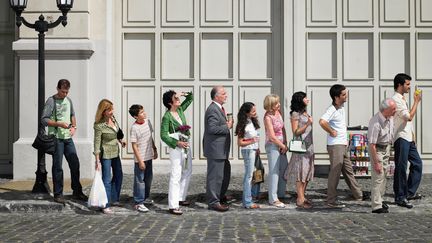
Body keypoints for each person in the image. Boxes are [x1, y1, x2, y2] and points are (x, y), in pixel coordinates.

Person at [41, 79, 87, 204]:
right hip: (56, 138)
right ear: (57, 88)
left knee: (75, 164)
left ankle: (77, 191)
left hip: (68, 138)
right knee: (58, 166)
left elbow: (72, 115)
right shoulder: (51, 101)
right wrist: (59, 124)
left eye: (67, 92)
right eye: (62, 92)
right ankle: (58, 194)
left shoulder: (69, 100)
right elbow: (44, 120)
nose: (65, 94)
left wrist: (74, 127)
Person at [319, 84, 364, 208]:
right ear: (336, 97)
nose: (346, 96)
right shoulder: (332, 109)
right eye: (343, 94)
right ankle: (330, 201)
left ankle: (358, 195)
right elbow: (322, 122)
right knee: (335, 173)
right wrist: (331, 131)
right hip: (335, 146)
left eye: (346, 93)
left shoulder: (341, 108)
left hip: (342, 145)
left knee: (348, 171)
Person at [392, 73, 423, 209]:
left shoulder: (402, 99)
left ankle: (409, 192)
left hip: (408, 138)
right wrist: (417, 101)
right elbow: (408, 117)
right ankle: (400, 197)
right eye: (407, 84)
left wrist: (413, 135)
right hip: (401, 138)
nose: (409, 87)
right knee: (401, 168)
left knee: (417, 164)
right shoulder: (396, 100)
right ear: (400, 85)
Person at [161, 90, 193, 215]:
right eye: (175, 98)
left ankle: (180, 197)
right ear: (170, 103)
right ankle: (173, 205)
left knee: (188, 170)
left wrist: (184, 93)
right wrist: (176, 143)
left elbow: (191, 98)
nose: (178, 98)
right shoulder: (167, 117)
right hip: (176, 148)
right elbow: (163, 135)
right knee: (176, 174)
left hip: (186, 145)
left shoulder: (180, 110)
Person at [93, 99, 126, 214]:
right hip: (106, 154)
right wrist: (97, 160)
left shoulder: (113, 119)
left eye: (112, 109)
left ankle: (114, 199)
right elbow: (97, 143)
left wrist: (121, 141)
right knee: (106, 179)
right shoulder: (99, 125)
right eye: (110, 109)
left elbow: (115, 134)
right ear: (103, 111)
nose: (112, 111)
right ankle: (105, 205)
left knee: (118, 175)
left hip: (115, 152)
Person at [203, 86, 232, 212]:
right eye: (223, 93)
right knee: (215, 176)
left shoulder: (218, 108)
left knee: (224, 174)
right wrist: (227, 126)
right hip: (216, 150)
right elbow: (212, 129)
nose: (226, 95)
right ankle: (213, 202)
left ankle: (219, 196)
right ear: (216, 96)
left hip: (221, 150)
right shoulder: (213, 109)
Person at [285, 91, 314, 209]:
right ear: (300, 100)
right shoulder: (295, 114)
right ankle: (300, 199)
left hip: (309, 146)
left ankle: (302, 196)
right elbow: (295, 131)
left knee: (306, 172)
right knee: (300, 172)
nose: (308, 99)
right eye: (305, 98)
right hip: (301, 147)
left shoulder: (305, 112)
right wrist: (307, 124)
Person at [367, 98, 396, 213]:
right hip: (377, 150)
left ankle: (380, 199)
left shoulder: (390, 118)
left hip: (386, 148)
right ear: (386, 110)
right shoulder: (375, 123)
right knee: (378, 177)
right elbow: (372, 145)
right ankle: (376, 206)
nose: (395, 110)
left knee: (384, 177)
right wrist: (376, 162)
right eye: (393, 109)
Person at [129, 104, 158, 213]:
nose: (144, 113)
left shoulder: (148, 122)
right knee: (139, 181)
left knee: (148, 179)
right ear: (136, 116)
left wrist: (154, 149)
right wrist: (140, 161)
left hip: (149, 156)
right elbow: (134, 146)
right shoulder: (134, 128)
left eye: (143, 111)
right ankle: (138, 202)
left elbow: (150, 138)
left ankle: (145, 198)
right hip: (140, 158)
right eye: (141, 112)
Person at [263, 94, 288, 208]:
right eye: (277, 103)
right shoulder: (267, 117)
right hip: (273, 146)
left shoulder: (278, 113)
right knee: (274, 172)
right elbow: (272, 136)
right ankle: (273, 198)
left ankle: (281, 194)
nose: (279, 104)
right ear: (271, 105)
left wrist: (285, 142)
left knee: (284, 169)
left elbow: (283, 128)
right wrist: (282, 145)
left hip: (282, 145)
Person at [235, 102, 261, 209]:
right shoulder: (243, 124)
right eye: (253, 111)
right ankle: (247, 201)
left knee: (257, 173)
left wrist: (257, 147)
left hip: (254, 150)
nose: (255, 113)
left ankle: (252, 195)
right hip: (248, 151)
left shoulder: (252, 121)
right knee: (249, 176)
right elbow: (240, 142)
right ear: (246, 113)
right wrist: (252, 141)